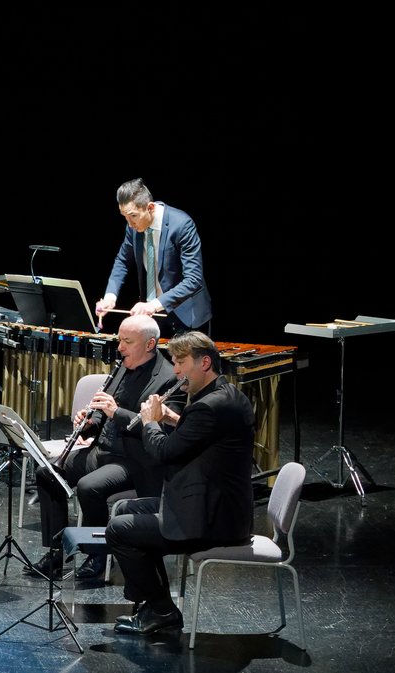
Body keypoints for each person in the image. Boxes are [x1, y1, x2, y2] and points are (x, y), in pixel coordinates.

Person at [106, 331, 255, 636]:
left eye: (181, 362)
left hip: (211, 520)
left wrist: (149, 422)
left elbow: (164, 452)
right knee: (124, 508)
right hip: (215, 506)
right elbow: (199, 437)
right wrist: (174, 420)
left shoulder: (208, 406)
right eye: (173, 362)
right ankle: (154, 604)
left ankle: (161, 609)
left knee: (120, 530)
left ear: (205, 362)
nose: (175, 370)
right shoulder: (227, 395)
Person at [30, 314, 183, 580]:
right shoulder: (123, 365)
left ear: (149, 344)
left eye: (127, 341)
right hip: (102, 450)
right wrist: (89, 422)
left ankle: (97, 555)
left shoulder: (169, 379)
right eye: (119, 340)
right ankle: (56, 551)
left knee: (90, 487)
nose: (120, 347)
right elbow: (103, 410)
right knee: (47, 474)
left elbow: (161, 428)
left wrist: (115, 412)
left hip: (135, 459)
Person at [94, 178, 212, 336]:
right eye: (125, 217)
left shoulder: (182, 225)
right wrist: (110, 296)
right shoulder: (133, 228)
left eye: (133, 216)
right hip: (155, 316)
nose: (129, 224)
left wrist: (154, 305)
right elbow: (122, 261)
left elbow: (194, 279)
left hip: (187, 315)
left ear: (150, 208)